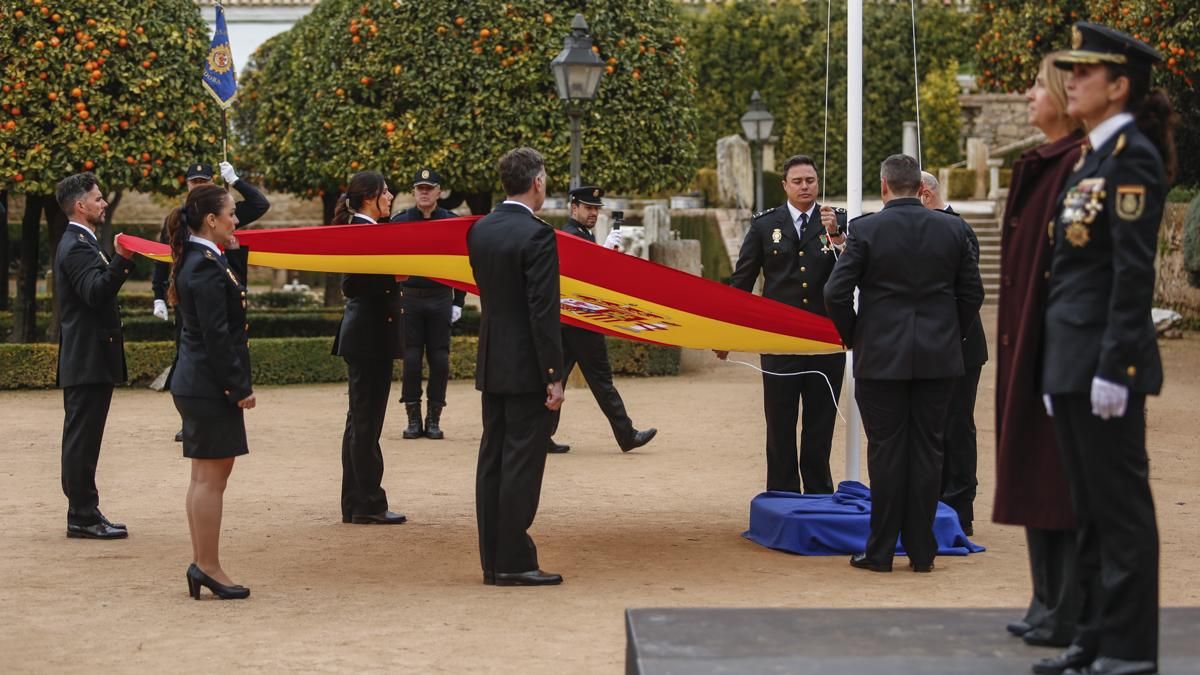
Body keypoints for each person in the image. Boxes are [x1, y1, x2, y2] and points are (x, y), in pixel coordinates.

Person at [1034, 24, 1175, 675]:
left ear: (1119, 86)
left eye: (1086, 72)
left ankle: (1129, 647)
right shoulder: (1093, 157)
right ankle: (1092, 636)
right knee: (1088, 509)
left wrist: (1116, 365)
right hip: (1072, 359)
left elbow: (1130, 271)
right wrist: (1056, 364)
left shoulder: (1131, 157)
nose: (1073, 81)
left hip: (1104, 362)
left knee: (1121, 511)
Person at [824, 154, 984, 574]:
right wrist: (950, 332)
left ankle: (880, 550)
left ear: (884, 187)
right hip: (938, 358)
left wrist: (854, 335)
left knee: (886, 451)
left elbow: (835, 292)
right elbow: (973, 293)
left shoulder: (865, 230)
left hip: (880, 357)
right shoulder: (953, 229)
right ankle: (922, 549)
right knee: (929, 450)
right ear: (920, 187)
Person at [991, 54, 1086, 651]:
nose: (1028, 95)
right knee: (1030, 468)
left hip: (1053, 347)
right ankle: (1045, 597)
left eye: (1036, 86)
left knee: (1056, 477)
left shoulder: (1077, 164)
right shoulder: (1043, 164)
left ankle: (1065, 605)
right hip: (1026, 343)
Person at [720, 155, 847, 494]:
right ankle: (782, 495)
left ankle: (819, 494)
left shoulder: (836, 221)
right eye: (798, 181)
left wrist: (838, 236)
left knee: (820, 425)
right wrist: (727, 333)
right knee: (779, 424)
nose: (805, 186)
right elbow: (742, 281)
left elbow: (855, 272)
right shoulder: (765, 225)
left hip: (824, 340)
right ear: (785, 185)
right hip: (779, 341)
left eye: (811, 180)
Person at [467, 147, 565, 587]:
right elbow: (543, 312)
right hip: (527, 365)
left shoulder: (480, 229)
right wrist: (553, 375)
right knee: (522, 464)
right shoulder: (538, 235)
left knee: (492, 460)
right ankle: (513, 559)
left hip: (493, 359)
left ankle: (492, 559)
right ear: (537, 182)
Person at [166, 184, 255, 600]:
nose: (236, 220)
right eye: (231, 214)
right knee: (211, 480)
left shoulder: (205, 258)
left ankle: (203, 563)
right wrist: (237, 387)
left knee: (205, 477)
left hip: (198, 382)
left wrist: (231, 251)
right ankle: (207, 566)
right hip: (208, 384)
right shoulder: (203, 266)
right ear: (211, 220)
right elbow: (217, 336)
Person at [152, 161, 269, 443]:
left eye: (204, 181)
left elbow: (259, 204)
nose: (235, 221)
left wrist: (237, 180)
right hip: (197, 311)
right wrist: (158, 294)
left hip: (214, 293)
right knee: (192, 347)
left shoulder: (216, 219)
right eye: (195, 181)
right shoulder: (190, 235)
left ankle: (193, 419)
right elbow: (162, 257)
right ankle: (191, 421)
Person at [53, 172, 135, 540]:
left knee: (85, 439)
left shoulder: (83, 241)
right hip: (87, 357)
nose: (103, 203)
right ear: (80, 205)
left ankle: (85, 510)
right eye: (98, 198)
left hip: (90, 357)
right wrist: (122, 260)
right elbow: (95, 292)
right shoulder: (77, 245)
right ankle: (82, 515)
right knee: (82, 440)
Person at [547, 185, 657, 455]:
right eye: (588, 208)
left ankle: (540, 435)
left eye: (596, 209)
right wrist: (600, 254)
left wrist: (604, 256)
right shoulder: (571, 235)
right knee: (601, 381)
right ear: (574, 208)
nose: (593, 213)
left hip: (571, 321)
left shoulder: (581, 234)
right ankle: (626, 435)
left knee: (557, 380)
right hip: (581, 322)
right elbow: (579, 274)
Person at [330, 172, 408, 526]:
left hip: (370, 337)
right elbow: (352, 284)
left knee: (360, 422)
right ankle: (368, 502)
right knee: (366, 424)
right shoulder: (361, 230)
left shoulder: (369, 228)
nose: (390, 197)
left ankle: (355, 501)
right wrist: (393, 276)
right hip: (368, 338)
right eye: (385, 192)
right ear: (368, 198)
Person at [917, 172, 989, 536]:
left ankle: (960, 508)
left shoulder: (959, 229)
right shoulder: (928, 227)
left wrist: (951, 334)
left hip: (960, 345)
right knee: (931, 426)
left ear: (925, 194)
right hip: (930, 345)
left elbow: (969, 292)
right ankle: (934, 503)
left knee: (957, 427)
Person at [390, 168, 465, 440]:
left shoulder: (451, 222)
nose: (424, 193)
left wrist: (459, 301)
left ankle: (434, 418)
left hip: (440, 297)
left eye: (429, 188)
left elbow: (461, 263)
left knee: (440, 359)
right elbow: (389, 262)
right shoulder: (400, 222)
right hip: (409, 297)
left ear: (439, 192)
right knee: (411, 360)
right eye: (419, 188)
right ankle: (413, 418)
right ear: (413, 192)